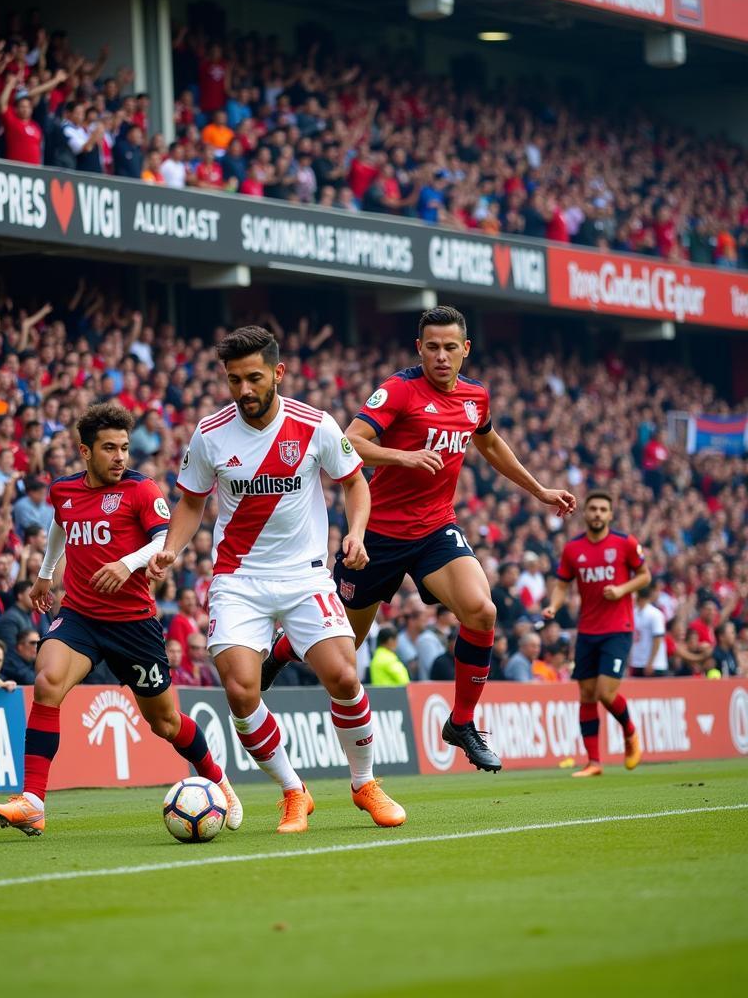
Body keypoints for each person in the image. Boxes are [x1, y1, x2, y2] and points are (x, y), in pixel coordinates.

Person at [267, 306, 576, 774]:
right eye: (432, 347)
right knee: (343, 647)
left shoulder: (475, 397)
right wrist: (404, 457)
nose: (441, 356)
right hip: (377, 535)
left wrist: (539, 490)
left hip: (434, 529)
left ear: (465, 349)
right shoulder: (399, 390)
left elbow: (488, 442)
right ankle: (287, 646)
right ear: (419, 348)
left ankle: (462, 722)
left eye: (451, 347)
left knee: (483, 610)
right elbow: (350, 441)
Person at [149, 327, 404, 833]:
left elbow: (355, 483)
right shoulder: (210, 432)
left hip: (305, 576)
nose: (244, 390)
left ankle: (365, 783)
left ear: (278, 374)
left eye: (254, 378)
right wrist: (171, 548)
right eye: (234, 380)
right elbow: (193, 502)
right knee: (242, 692)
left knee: (345, 677)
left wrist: (356, 534)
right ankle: (294, 791)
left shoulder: (315, 425)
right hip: (238, 580)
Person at [0, 403, 243, 838]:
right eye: (109, 448)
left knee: (166, 723)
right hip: (81, 616)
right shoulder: (63, 491)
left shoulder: (142, 490)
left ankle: (217, 779)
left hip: (133, 624)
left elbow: (162, 539)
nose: (120, 456)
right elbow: (60, 526)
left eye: (124, 447)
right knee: (47, 683)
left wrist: (127, 564)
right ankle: (32, 802)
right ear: (85, 452)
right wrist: (46, 575)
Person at [542, 492, 650, 777]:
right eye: (593, 509)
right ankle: (594, 763)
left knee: (605, 692)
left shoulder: (624, 543)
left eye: (603, 509)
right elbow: (563, 584)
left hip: (618, 629)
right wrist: (553, 606)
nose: (598, 514)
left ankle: (630, 732)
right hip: (587, 630)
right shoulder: (572, 548)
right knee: (587, 695)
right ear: (585, 513)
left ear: (610, 515)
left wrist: (622, 590)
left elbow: (645, 576)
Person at [630, 585, 667, 677]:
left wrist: (651, 662)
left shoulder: (655, 614)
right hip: (637, 662)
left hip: (655, 664)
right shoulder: (634, 613)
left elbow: (658, 639)